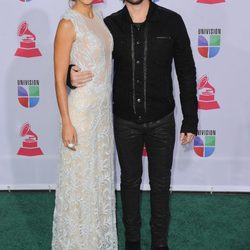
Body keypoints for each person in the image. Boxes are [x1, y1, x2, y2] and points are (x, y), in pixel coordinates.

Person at [68, 0, 198, 249]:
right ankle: (132, 242)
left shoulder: (172, 21)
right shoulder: (108, 26)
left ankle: (160, 244)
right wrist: (69, 76)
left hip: (162, 121)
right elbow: (88, 60)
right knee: (129, 182)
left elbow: (186, 72)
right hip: (124, 121)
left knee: (161, 184)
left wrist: (190, 119)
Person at [52, 0, 118, 249]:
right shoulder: (68, 23)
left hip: (102, 117)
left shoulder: (99, 18)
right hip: (81, 114)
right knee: (80, 183)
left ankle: (97, 242)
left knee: (97, 182)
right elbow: (59, 79)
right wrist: (66, 122)